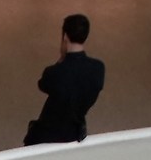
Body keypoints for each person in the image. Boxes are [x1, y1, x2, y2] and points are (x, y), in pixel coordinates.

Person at [24, 14, 105, 145]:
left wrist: (62, 59)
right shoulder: (98, 68)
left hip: (47, 135)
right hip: (75, 133)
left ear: (65, 36)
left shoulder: (54, 72)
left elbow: (43, 84)